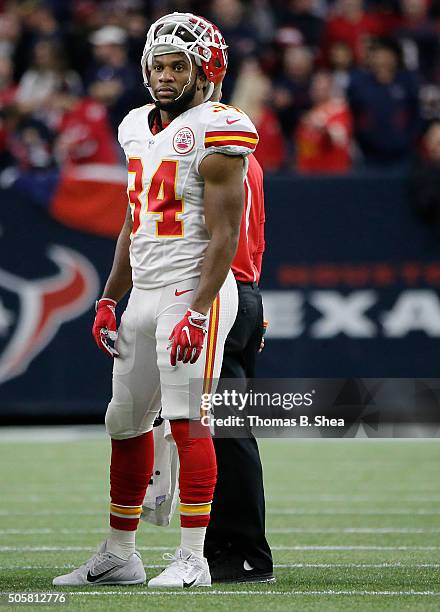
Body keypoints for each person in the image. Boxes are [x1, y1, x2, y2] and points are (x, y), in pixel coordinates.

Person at [52, 12, 258, 589]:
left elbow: (226, 236)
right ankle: (121, 553)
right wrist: (107, 298)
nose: (165, 77)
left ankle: (193, 557)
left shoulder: (219, 130)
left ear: (205, 70)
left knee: (189, 421)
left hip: (190, 292)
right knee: (124, 421)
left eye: (178, 66)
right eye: (158, 66)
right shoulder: (136, 127)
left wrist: (197, 309)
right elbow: (131, 223)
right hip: (143, 289)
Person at [204, 84, 273, 582]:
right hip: (244, 290)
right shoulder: (247, 157)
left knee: (223, 429)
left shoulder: (216, 152)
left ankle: (239, 551)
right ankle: (222, 548)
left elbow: (218, 237)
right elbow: (257, 236)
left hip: (225, 291)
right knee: (215, 427)